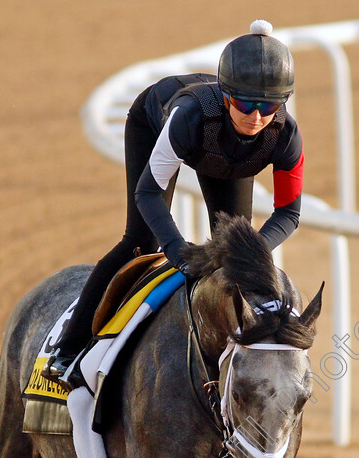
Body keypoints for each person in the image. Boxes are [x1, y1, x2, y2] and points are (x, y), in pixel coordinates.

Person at [45, 20, 304, 384]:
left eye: (270, 105)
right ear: (228, 95)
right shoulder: (189, 119)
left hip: (224, 153)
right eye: (246, 104)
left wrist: (252, 251)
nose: (257, 117)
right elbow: (148, 192)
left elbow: (289, 212)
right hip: (156, 123)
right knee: (140, 242)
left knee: (234, 256)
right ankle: (68, 348)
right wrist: (177, 249)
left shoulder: (286, 134)